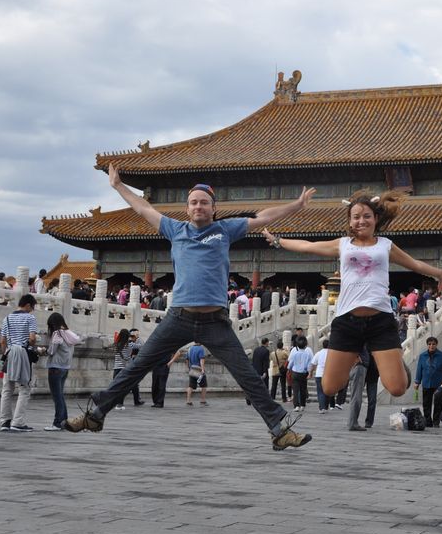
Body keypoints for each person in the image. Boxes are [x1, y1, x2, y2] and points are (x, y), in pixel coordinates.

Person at [62, 165, 314, 451]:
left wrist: (297, 204)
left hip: (215, 322)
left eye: (204, 202)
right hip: (179, 317)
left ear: (213, 208)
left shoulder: (225, 230)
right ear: (187, 208)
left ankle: (280, 430)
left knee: (246, 375)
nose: (198, 206)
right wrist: (118, 186)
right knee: (138, 365)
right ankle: (95, 415)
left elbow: (262, 217)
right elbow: (144, 208)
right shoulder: (174, 229)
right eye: (194, 202)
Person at [261, 190, 442, 403]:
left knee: (397, 388)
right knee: (330, 387)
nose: (362, 221)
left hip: (380, 321)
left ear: (376, 218)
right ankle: (354, 355)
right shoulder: (343, 244)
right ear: (350, 222)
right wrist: (278, 241)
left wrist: (440, 273)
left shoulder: (385, 245)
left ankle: (395, 363)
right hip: (348, 321)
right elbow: (308, 246)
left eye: (367, 216)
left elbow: (415, 264)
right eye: (356, 217)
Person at [0, 294, 39, 432]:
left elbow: (3, 341)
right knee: (24, 388)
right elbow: (32, 338)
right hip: (23, 354)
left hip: (9, 353)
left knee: (7, 389)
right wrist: (32, 346)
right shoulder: (30, 318)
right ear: (28, 305)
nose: (32, 310)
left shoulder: (7, 318)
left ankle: (5, 421)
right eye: (32, 307)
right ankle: (18, 422)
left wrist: (5, 353)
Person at [44, 312, 81, 431]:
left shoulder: (57, 334)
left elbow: (51, 351)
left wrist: (42, 350)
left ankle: (57, 422)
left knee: (57, 397)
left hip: (55, 367)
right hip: (65, 368)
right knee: (60, 396)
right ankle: (63, 421)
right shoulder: (69, 333)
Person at [414, 337, 442, 427]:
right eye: (429, 344)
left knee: (438, 403)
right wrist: (417, 381)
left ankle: (436, 421)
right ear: (427, 345)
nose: (431, 346)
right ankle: (427, 421)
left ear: (436, 345)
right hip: (426, 382)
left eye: (433, 344)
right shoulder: (422, 356)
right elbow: (419, 369)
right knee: (426, 404)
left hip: (439, 384)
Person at [287, 335, 314, 411]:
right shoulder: (308, 354)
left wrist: (289, 369)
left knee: (295, 390)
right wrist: (309, 373)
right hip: (303, 373)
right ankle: (302, 405)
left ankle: (296, 406)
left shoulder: (294, 353)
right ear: (305, 346)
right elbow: (309, 365)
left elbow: (290, 363)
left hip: (295, 373)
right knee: (303, 389)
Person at [110, 329, 133, 410]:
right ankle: (120, 404)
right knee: (122, 387)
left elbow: (112, 351)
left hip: (116, 368)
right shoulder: (129, 346)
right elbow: (127, 358)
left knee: (115, 386)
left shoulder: (116, 345)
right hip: (124, 369)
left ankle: (113, 402)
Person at [311, 339, 334, 413]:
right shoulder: (332, 353)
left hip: (319, 374)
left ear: (322, 345)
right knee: (327, 391)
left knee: (320, 391)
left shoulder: (319, 353)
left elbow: (313, 363)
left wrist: (311, 372)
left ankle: (322, 408)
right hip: (329, 374)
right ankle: (326, 407)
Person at [250, 337, 271, 403]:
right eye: (268, 343)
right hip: (262, 371)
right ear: (266, 342)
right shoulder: (266, 351)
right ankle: (264, 399)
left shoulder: (256, 349)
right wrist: (265, 372)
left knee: (255, 385)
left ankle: (249, 398)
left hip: (255, 369)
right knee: (264, 386)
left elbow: (253, 360)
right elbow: (265, 362)